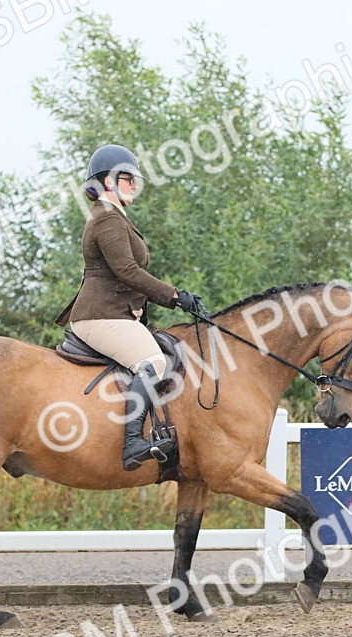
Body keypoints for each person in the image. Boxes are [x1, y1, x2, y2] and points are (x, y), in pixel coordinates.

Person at [54, 144, 202, 471]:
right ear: (107, 181)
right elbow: (128, 272)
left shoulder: (115, 217)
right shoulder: (107, 218)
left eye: (134, 179)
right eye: (127, 178)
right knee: (153, 361)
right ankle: (133, 442)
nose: (134, 184)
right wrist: (175, 297)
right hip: (99, 316)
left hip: (115, 315)